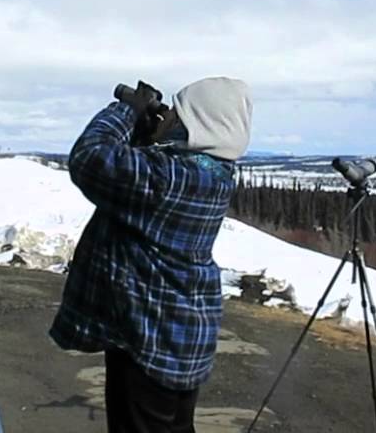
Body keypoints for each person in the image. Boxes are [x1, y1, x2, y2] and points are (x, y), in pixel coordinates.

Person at [51, 76, 252, 433]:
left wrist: (125, 111)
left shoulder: (169, 178)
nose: (172, 116)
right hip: (179, 332)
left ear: (197, 122)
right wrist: (147, 134)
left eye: (179, 113)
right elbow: (139, 180)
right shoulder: (214, 172)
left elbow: (89, 158)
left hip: (149, 335)